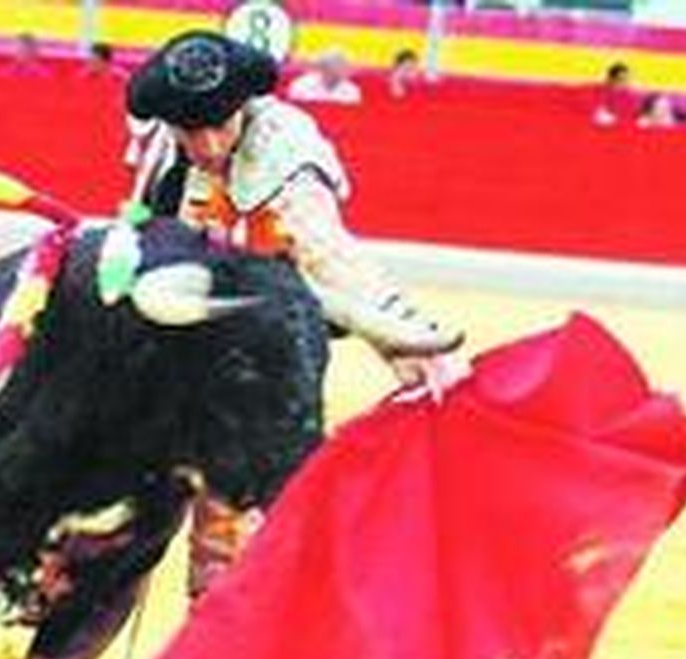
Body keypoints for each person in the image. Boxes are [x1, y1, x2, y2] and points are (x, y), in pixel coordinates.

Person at [125, 31, 467, 596]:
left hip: (259, 365)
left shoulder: (282, 153)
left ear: (245, 107)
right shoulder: (168, 148)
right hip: (177, 345)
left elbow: (332, 258)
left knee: (228, 544)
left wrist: (414, 345)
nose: (209, 145)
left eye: (221, 124)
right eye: (192, 130)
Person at [285, 48, 362, 105]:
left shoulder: (352, 91)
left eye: (342, 67)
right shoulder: (301, 85)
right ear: (323, 67)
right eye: (333, 66)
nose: (340, 70)